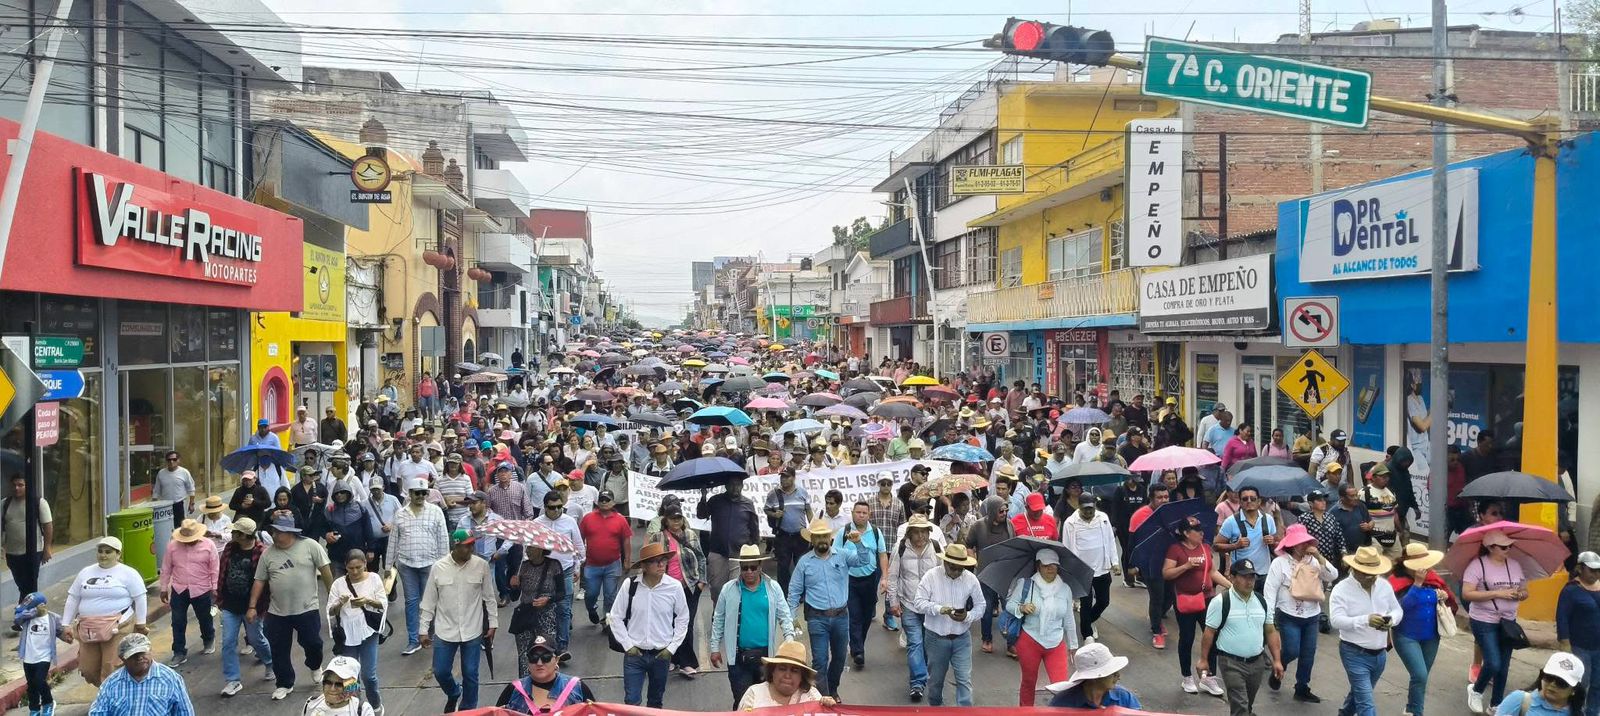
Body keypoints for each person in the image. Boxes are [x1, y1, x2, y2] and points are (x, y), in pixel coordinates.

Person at [251, 515, 334, 701]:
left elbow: (326, 571)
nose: (274, 535)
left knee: (313, 643)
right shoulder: (268, 554)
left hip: (307, 608)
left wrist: (332, 596)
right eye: (273, 531)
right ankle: (284, 683)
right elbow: (259, 581)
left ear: (289, 532)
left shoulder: (311, 546)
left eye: (278, 532)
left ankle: (315, 665)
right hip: (277, 612)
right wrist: (252, 606)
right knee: (279, 649)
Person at [787, 517, 870, 699]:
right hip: (817, 618)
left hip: (841, 616)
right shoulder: (804, 562)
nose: (822, 540)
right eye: (817, 537)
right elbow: (793, 592)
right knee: (820, 661)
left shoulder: (842, 554)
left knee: (840, 658)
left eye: (824, 536)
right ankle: (823, 697)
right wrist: (792, 619)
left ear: (830, 538)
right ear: (812, 540)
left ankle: (833, 689)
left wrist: (859, 543)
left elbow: (865, 561)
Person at [709, 544, 797, 708]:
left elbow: (784, 616)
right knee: (743, 703)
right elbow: (718, 619)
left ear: (760, 566)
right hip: (739, 659)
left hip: (766, 659)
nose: (749, 572)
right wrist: (714, 648)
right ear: (740, 568)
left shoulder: (773, 587)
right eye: (745, 568)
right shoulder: (728, 590)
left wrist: (789, 641)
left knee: (766, 703)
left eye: (753, 567)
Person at [420, 529, 497, 713]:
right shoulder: (438, 567)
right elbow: (429, 601)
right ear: (456, 546)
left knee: (471, 674)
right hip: (445, 630)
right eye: (467, 545)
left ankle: (468, 710)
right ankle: (454, 692)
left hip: (473, 628)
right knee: (440, 671)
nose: (472, 548)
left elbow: (489, 597)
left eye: (473, 544)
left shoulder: (481, 566)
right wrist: (423, 629)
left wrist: (493, 623)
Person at [609, 542, 691, 709]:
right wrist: (628, 646)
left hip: (661, 655)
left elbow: (683, 618)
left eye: (664, 560)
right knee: (631, 703)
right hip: (634, 655)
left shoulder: (674, 587)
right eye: (656, 561)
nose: (661, 564)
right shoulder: (630, 585)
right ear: (645, 566)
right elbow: (615, 617)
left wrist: (671, 649)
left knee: (655, 703)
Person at [1200, 558, 1284, 716]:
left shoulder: (1262, 601)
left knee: (1247, 705)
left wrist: (1277, 660)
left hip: (1257, 663)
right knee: (1241, 705)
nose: (1249, 581)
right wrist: (1204, 659)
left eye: (1252, 577)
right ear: (1232, 577)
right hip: (1231, 663)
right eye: (1244, 577)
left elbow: (1271, 631)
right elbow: (1209, 632)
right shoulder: (1221, 602)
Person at [1263, 523, 1337, 703]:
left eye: (1306, 542)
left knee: (1308, 653)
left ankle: (1302, 687)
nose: (1305, 545)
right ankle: (1279, 667)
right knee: (1292, 649)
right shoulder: (1279, 563)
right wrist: (1269, 618)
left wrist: (1319, 557)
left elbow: (1332, 575)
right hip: (1288, 615)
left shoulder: (1314, 561)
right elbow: (1270, 590)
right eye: (1301, 542)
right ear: (1292, 545)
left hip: (1312, 615)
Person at [1327, 545, 1403, 716]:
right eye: (1366, 573)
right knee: (1366, 705)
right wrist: (1365, 620)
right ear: (1355, 569)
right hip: (1354, 652)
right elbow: (1336, 620)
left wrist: (1391, 620)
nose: (1371, 578)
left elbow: (1397, 610)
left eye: (1374, 574)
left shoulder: (1384, 586)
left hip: (1380, 653)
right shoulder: (1341, 589)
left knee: (1360, 694)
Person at [63, 536, 149, 687]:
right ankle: (106, 691)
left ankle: (112, 699)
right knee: (88, 669)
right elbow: (73, 598)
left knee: (111, 668)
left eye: (108, 552)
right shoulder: (85, 572)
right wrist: (65, 624)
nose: (103, 555)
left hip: (119, 627)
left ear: (118, 554)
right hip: (88, 629)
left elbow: (140, 598)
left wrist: (141, 623)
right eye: (100, 551)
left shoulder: (128, 573)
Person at [910, 543, 986, 707]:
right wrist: (939, 609)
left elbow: (981, 605)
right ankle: (936, 709)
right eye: (954, 568)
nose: (957, 572)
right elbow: (918, 602)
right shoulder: (931, 576)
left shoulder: (970, 579)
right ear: (945, 563)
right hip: (936, 638)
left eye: (961, 568)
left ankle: (965, 711)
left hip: (962, 638)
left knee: (964, 680)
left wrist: (968, 615)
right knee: (936, 682)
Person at [1467, 529, 1531, 713]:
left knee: (1503, 666)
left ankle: (1495, 704)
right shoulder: (1477, 566)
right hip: (1484, 620)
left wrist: (1520, 594)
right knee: (1493, 662)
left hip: (1508, 621)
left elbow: (1525, 591)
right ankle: (1476, 689)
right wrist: (1497, 593)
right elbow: (1468, 593)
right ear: (1491, 547)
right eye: (1503, 547)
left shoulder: (1515, 565)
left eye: (1509, 546)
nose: (1507, 549)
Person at [1006, 548, 1080, 706]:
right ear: (1038, 565)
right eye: (1046, 565)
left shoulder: (1065, 589)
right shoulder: (1026, 584)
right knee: (1029, 681)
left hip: (1056, 642)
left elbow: (1069, 619)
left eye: (1054, 565)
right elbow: (1010, 605)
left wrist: (1073, 645)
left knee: (1061, 686)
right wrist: (1021, 608)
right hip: (1029, 640)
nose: (1051, 568)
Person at [385, 478, 449, 656]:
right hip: (406, 564)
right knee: (411, 602)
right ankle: (413, 640)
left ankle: (430, 634)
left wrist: (445, 565)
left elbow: (443, 539)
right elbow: (393, 541)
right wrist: (388, 566)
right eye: (417, 493)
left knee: (430, 602)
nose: (420, 496)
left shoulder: (436, 512)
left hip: (430, 563)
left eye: (423, 493)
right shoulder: (400, 514)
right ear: (410, 494)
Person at [1392, 542, 1457, 716]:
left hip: (1431, 636)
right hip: (1406, 636)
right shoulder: (1397, 581)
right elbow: (1401, 607)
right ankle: (1417, 712)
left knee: (1421, 677)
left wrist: (1441, 596)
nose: (1426, 569)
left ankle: (1411, 709)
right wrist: (1417, 585)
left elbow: (1447, 599)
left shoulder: (1433, 579)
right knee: (1420, 674)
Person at [646, 502, 707, 677]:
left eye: (679, 518)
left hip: (689, 586)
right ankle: (671, 658)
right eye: (673, 518)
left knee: (685, 624)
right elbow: (650, 560)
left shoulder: (690, 535)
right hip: (666, 588)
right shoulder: (658, 538)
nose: (676, 521)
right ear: (665, 520)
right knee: (668, 624)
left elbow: (701, 558)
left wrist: (701, 581)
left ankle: (687, 663)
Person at [216, 518, 272, 695]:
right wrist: (219, 597)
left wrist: (254, 606)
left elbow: (264, 581)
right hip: (230, 605)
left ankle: (270, 663)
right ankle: (233, 680)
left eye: (234, 532)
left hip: (252, 607)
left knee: (256, 639)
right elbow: (222, 573)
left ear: (244, 535)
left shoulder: (262, 552)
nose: (231, 534)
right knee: (228, 642)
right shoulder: (230, 548)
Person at [327, 550, 386, 713]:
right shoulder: (338, 584)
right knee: (350, 677)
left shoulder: (374, 579)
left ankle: (375, 705)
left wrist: (368, 601)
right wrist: (340, 603)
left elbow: (382, 603)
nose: (354, 572)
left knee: (368, 675)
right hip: (347, 634)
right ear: (345, 566)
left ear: (365, 564)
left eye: (358, 567)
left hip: (368, 631)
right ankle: (356, 707)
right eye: (350, 568)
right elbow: (330, 611)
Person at [835, 501, 888, 670]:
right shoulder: (844, 532)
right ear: (852, 513)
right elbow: (835, 554)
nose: (861, 515)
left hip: (870, 578)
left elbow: (882, 555)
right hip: (850, 579)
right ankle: (858, 650)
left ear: (869, 515)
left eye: (864, 513)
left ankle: (858, 644)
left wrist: (885, 577)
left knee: (866, 616)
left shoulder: (875, 532)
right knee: (855, 615)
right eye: (858, 512)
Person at [85, 634, 194, 716]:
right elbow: (98, 712)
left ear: (150, 651)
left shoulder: (170, 679)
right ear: (123, 659)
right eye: (134, 655)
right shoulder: (111, 684)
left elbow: (185, 712)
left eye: (143, 653)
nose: (139, 657)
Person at [158, 519, 218, 666]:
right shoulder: (172, 547)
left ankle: (208, 638)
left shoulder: (209, 545)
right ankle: (179, 652)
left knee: (204, 618)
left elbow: (214, 568)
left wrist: (214, 587)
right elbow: (166, 568)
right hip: (180, 589)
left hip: (202, 589)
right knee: (177, 621)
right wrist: (163, 588)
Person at [1060, 495, 1118, 642]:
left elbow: (1111, 540)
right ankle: (1087, 634)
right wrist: (1070, 570)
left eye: (1091, 509)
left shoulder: (1103, 518)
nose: (1089, 512)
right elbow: (1067, 547)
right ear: (1079, 507)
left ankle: (1089, 621)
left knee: (1104, 601)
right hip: (1083, 571)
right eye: (1085, 509)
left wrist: (1115, 562)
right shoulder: (1070, 523)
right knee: (1085, 603)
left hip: (1102, 568)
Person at [533, 492, 583, 654]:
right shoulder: (537, 524)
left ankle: (562, 647)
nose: (556, 510)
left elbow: (578, 546)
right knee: (544, 610)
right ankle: (545, 643)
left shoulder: (570, 522)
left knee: (563, 608)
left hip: (565, 570)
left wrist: (577, 567)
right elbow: (529, 550)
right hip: (543, 572)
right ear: (545, 507)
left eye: (559, 507)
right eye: (552, 507)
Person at [697, 476, 760, 599]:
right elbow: (701, 515)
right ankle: (718, 613)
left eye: (737, 485)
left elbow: (754, 528)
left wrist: (754, 551)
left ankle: (732, 615)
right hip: (718, 551)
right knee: (716, 587)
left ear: (742, 486)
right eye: (731, 484)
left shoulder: (748, 504)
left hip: (739, 553)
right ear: (726, 486)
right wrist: (703, 497)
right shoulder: (716, 501)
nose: (735, 488)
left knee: (735, 588)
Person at [497, 636, 594, 714]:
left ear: (556, 660)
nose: (539, 663)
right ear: (527, 661)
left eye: (546, 657)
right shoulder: (514, 690)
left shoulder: (577, 687)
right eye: (534, 657)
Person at [511, 544, 566, 677]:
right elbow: (514, 597)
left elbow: (561, 593)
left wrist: (548, 599)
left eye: (532, 548)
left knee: (546, 651)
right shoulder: (523, 567)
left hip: (546, 615)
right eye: (527, 548)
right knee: (524, 654)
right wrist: (514, 586)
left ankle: (547, 683)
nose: (528, 551)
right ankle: (525, 687)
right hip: (525, 615)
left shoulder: (554, 565)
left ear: (541, 549)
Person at [1558, 551, 1600, 716]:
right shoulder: (1571, 590)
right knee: (1581, 683)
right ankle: (1576, 712)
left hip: (1599, 646)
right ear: (1580, 568)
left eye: (1598, 571)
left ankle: (1593, 711)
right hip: (1579, 646)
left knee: (1598, 683)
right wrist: (1565, 644)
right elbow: (1562, 618)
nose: (1596, 574)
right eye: (1592, 570)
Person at [737, 640, 837, 708]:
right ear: (772, 671)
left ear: (802, 676)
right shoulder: (754, 694)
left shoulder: (812, 695)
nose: (787, 675)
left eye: (794, 671)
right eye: (782, 669)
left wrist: (829, 709)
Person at [14, 592, 69, 716]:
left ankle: (48, 703)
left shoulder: (53, 618)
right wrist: (33, 612)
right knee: (31, 684)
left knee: (39, 680)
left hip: (44, 656)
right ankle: (34, 708)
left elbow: (60, 631)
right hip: (28, 656)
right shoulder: (27, 619)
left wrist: (67, 637)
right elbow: (17, 619)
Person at [1044, 642, 1143, 709]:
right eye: (1112, 673)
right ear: (1094, 678)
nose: (1118, 676)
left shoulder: (1124, 697)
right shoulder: (1063, 702)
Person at [3, 473, 54, 599]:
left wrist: (47, 548)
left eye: (20, 485)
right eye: (14, 485)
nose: (17, 488)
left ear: (27, 486)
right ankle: (30, 609)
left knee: (30, 584)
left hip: (33, 552)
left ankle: (26, 611)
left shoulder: (38, 503)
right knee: (21, 584)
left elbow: (48, 526)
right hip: (12, 553)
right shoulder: (5, 503)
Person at [1215, 485, 1278, 583]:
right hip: (1241, 575)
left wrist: (1272, 541)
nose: (1249, 501)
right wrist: (1236, 545)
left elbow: (1276, 544)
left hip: (1265, 574)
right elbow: (1216, 546)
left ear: (1259, 501)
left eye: (1253, 499)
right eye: (1245, 499)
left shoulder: (1268, 519)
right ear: (1240, 502)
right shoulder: (1231, 522)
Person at [1496, 652, 1589, 716]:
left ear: (1574, 690)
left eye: (1561, 683)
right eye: (1549, 677)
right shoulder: (1519, 700)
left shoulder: (1576, 713)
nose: (1553, 684)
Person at [764, 467, 812, 589]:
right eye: (782, 476)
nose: (783, 479)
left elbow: (808, 511)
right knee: (783, 566)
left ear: (794, 478)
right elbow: (766, 509)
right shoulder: (773, 494)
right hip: (782, 535)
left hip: (800, 535)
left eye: (787, 476)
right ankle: (783, 593)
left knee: (801, 565)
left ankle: (800, 592)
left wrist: (813, 528)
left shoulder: (802, 493)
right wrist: (774, 514)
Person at [323, 487, 374, 578]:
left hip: (357, 554)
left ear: (349, 493)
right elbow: (321, 527)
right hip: (336, 555)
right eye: (337, 493)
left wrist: (371, 549)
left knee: (359, 585)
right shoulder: (329, 511)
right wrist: (326, 535)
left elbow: (368, 530)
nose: (339, 495)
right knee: (338, 585)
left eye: (342, 492)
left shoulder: (360, 509)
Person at [300, 656, 374, 716]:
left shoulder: (363, 710)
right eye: (328, 682)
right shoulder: (311, 703)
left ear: (351, 686)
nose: (332, 689)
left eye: (339, 684)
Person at [153, 450, 196, 528]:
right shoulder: (161, 473)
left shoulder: (184, 472)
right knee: (166, 527)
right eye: (169, 460)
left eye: (174, 459)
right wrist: (153, 506)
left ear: (178, 460)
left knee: (180, 527)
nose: (171, 462)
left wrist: (191, 504)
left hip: (179, 504)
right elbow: (156, 491)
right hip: (165, 506)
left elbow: (191, 489)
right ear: (166, 461)